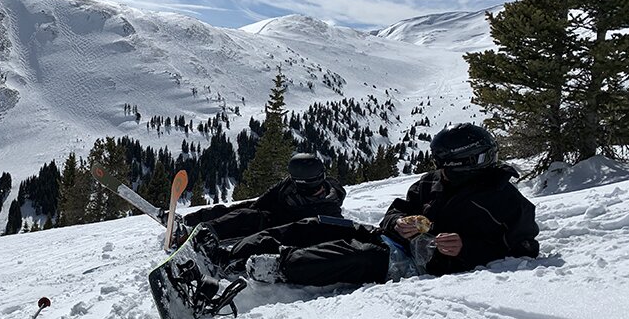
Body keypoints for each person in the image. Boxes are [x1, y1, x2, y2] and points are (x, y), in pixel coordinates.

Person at [217, 123, 540, 286]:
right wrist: (397, 222)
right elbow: (398, 208)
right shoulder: (433, 181)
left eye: (448, 163)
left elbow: (524, 245)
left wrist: (467, 247)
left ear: (470, 161)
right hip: (386, 237)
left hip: (412, 263)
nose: (441, 169)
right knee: (314, 225)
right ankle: (227, 255)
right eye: (439, 162)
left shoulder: (505, 199)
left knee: (349, 256)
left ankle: (265, 268)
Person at [181, 152, 347, 245]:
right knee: (239, 209)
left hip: (279, 229)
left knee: (244, 217)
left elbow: (327, 235)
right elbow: (263, 200)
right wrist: (253, 208)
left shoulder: (327, 210)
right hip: (272, 214)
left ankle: (199, 235)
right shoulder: (290, 184)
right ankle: (190, 220)